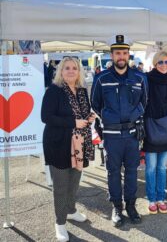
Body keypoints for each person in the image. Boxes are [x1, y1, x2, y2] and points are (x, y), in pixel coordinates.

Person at [91, 34, 148, 227]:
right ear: (112, 55)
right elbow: (95, 104)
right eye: (117, 53)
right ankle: (116, 207)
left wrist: (134, 115)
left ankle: (131, 206)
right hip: (112, 135)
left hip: (132, 135)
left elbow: (144, 102)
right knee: (113, 172)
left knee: (132, 171)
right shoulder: (102, 78)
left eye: (124, 52)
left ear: (129, 54)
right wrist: (108, 118)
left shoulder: (139, 77)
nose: (121, 56)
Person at [41, 57, 95, 242]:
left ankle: (71, 210)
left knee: (74, 181)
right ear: (60, 71)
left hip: (79, 144)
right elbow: (46, 117)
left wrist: (89, 117)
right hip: (58, 144)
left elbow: (83, 113)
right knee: (61, 186)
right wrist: (73, 122)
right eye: (67, 68)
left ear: (79, 71)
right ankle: (60, 223)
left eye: (74, 68)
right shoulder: (54, 91)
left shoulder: (81, 90)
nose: (71, 71)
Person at [143, 51, 167, 215]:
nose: (164, 65)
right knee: (151, 167)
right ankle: (151, 198)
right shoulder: (147, 79)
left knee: (162, 167)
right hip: (151, 128)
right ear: (155, 63)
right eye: (161, 62)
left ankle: (161, 198)